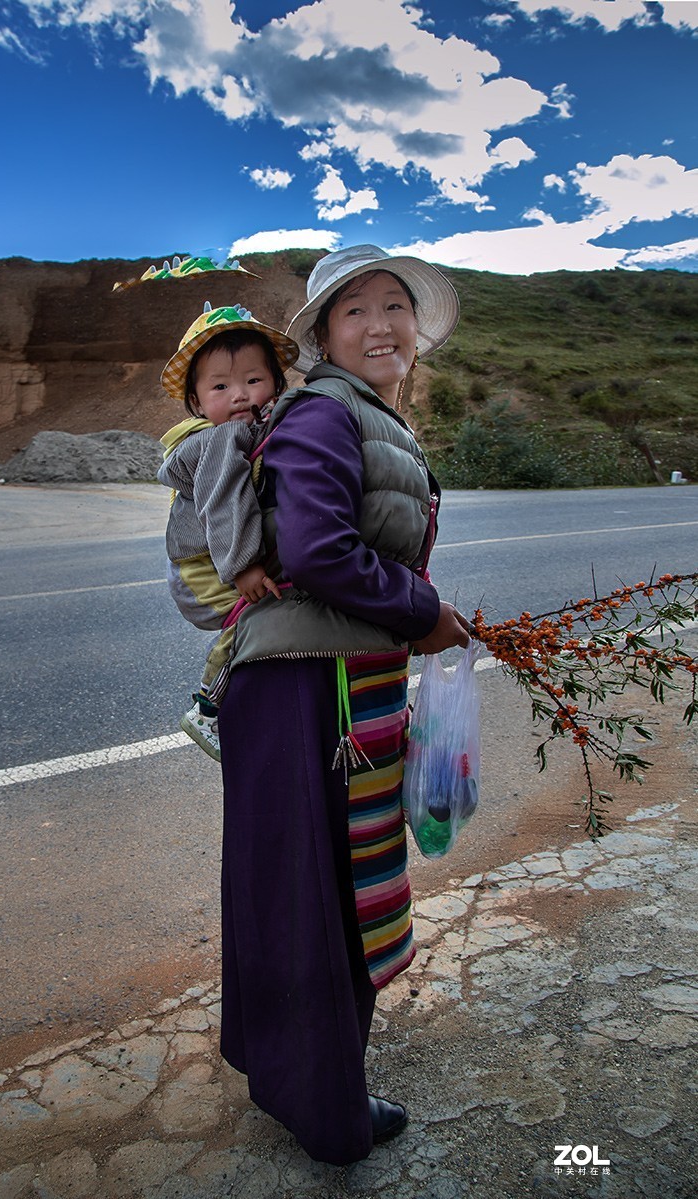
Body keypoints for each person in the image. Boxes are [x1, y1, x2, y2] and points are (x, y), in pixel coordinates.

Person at [216, 245, 471, 1164]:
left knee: (295, 882)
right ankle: (327, 1110)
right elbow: (320, 552)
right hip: (303, 687)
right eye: (354, 309)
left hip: (324, 677)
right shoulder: (327, 411)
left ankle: (276, 1059)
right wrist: (423, 613)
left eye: (395, 306)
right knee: (313, 892)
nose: (380, 324)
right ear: (324, 334)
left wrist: (419, 615)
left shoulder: (362, 413)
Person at [156, 302, 300, 760]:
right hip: (201, 565)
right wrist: (244, 566)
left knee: (262, 619)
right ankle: (209, 706)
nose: (239, 394)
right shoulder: (220, 440)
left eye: (253, 381)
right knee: (253, 618)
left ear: (276, 384)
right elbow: (224, 500)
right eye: (220, 386)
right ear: (197, 402)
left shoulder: (246, 431)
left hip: (209, 556)